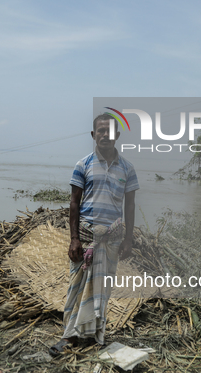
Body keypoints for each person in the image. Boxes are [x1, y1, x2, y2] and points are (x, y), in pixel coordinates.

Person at [49, 114, 139, 356]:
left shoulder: (128, 169)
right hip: (86, 236)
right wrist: (74, 238)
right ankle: (68, 336)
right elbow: (74, 203)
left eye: (109, 131)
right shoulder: (83, 165)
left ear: (117, 136)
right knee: (76, 286)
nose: (105, 135)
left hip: (112, 238)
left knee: (103, 288)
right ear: (93, 135)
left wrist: (128, 238)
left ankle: (92, 333)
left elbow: (129, 206)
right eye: (100, 131)